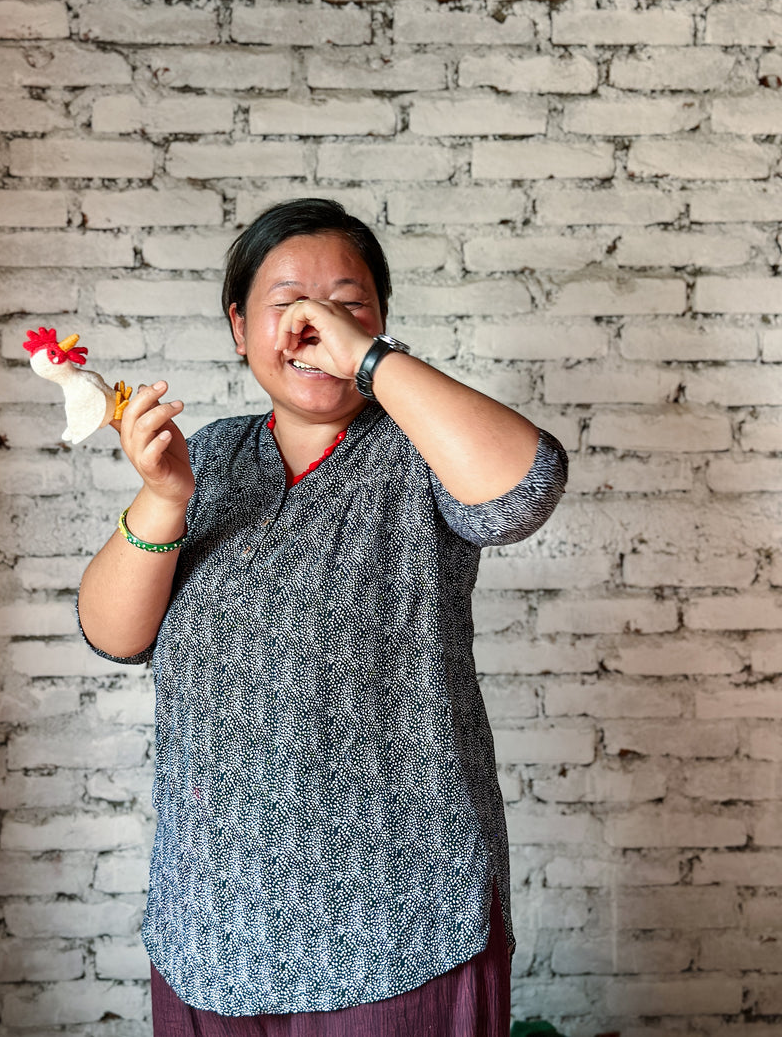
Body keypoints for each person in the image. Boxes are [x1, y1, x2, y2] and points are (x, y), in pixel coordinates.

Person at [77, 198, 568, 1037]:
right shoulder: (215, 456)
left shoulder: (421, 444)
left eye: (347, 304)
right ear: (239, 328)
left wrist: (366, 358)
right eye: (287, 304)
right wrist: (164, 498)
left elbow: (522, 491)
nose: (315, 324)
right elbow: (113, 635)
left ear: (379, 325)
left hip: (400, 925)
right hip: (212, 930)